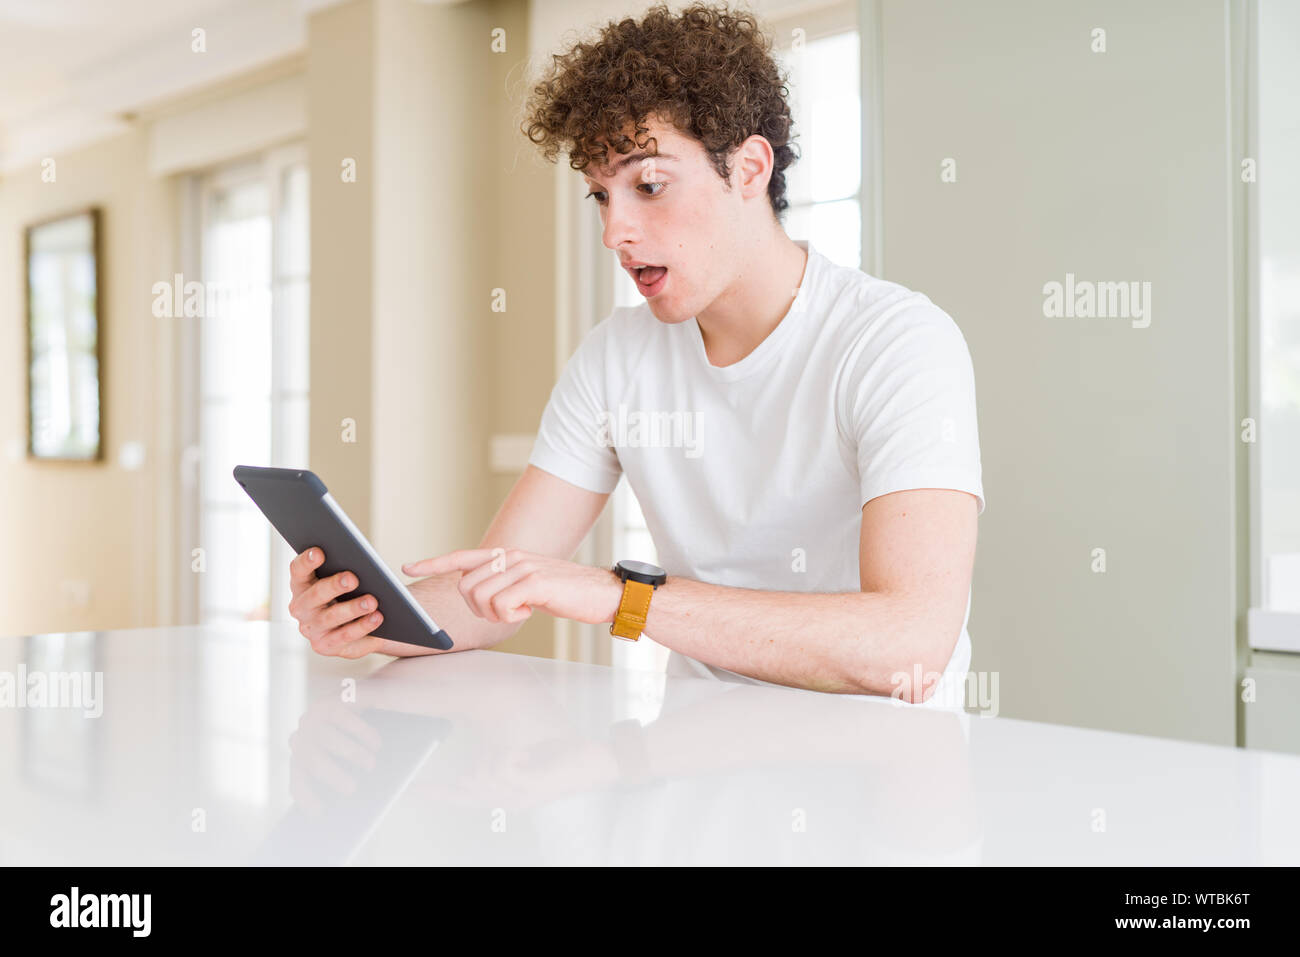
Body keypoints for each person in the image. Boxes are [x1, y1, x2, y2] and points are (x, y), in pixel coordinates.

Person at [287, 2, 983, 706]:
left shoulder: (897, 343)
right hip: (696, 751)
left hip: (883, 773)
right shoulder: (617, 356)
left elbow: (910, 641)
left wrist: (623, 597)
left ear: (748, 169)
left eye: (648, 186)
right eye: (600, 195)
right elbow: (494, 588)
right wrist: (365, 613)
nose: (615, 231)